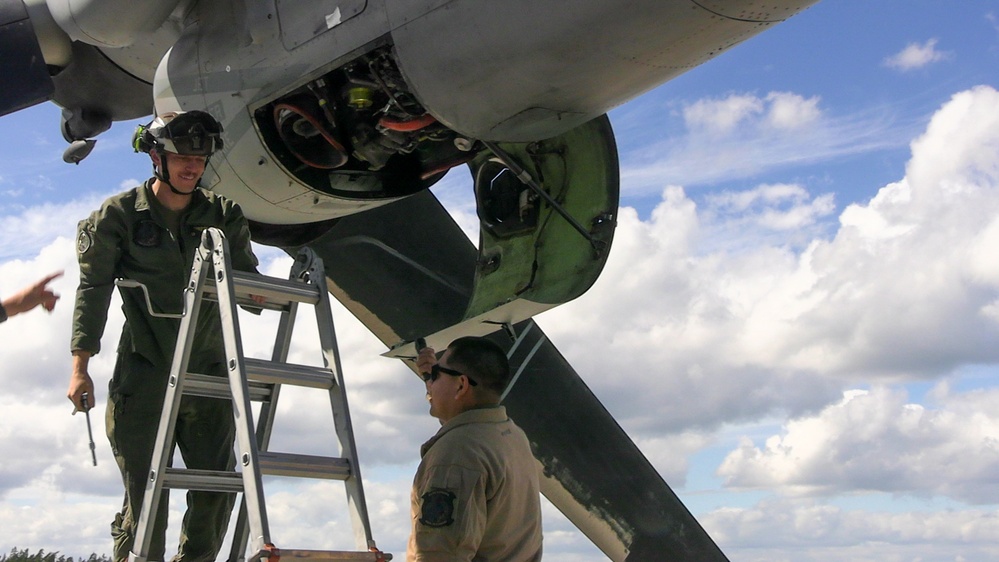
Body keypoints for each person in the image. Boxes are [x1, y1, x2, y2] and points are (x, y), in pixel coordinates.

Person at [66, 110, 261, 562]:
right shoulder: (118, 216)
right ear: (156, 156)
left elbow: (248, 286)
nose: (192, 166)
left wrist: (284, 285)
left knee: (216, 489)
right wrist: (80, 369)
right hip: (146, 371)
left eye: (199, 157)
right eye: (181, 157)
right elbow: (92, 290)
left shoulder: (224, 214)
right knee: (147, 497)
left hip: (209, 372)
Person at [409, 336, 543, 561]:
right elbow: (463, 420)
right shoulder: (509, 435)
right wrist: (433, 377)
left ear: (461, 385)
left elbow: (440, 555)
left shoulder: (456, 455)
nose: (430, 383)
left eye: (436, 375)